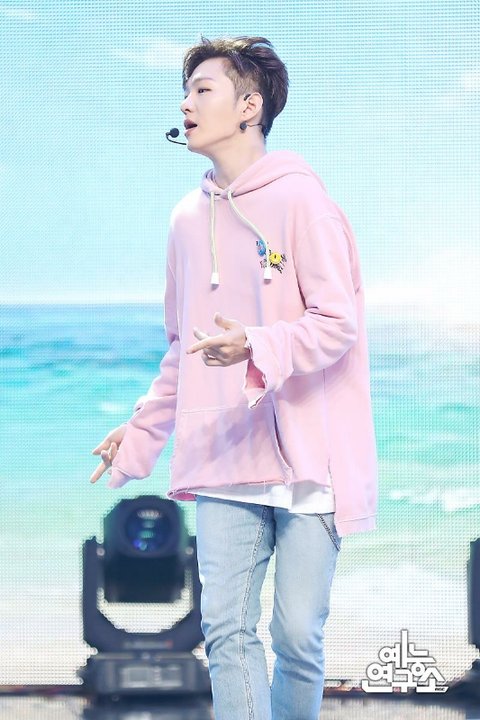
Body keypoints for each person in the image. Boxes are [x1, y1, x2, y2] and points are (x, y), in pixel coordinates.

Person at [90, 35, 378, 720]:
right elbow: (182, 350)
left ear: (250, 106)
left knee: (297, 635)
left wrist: (257, 343)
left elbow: (338, 322)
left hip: (310, 459)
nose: (186, 105)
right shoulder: (186, 220)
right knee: (226, 632)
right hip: (223, 451)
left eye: (203, 90)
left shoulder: (305, 201)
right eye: (184, 93)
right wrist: (141, 428)